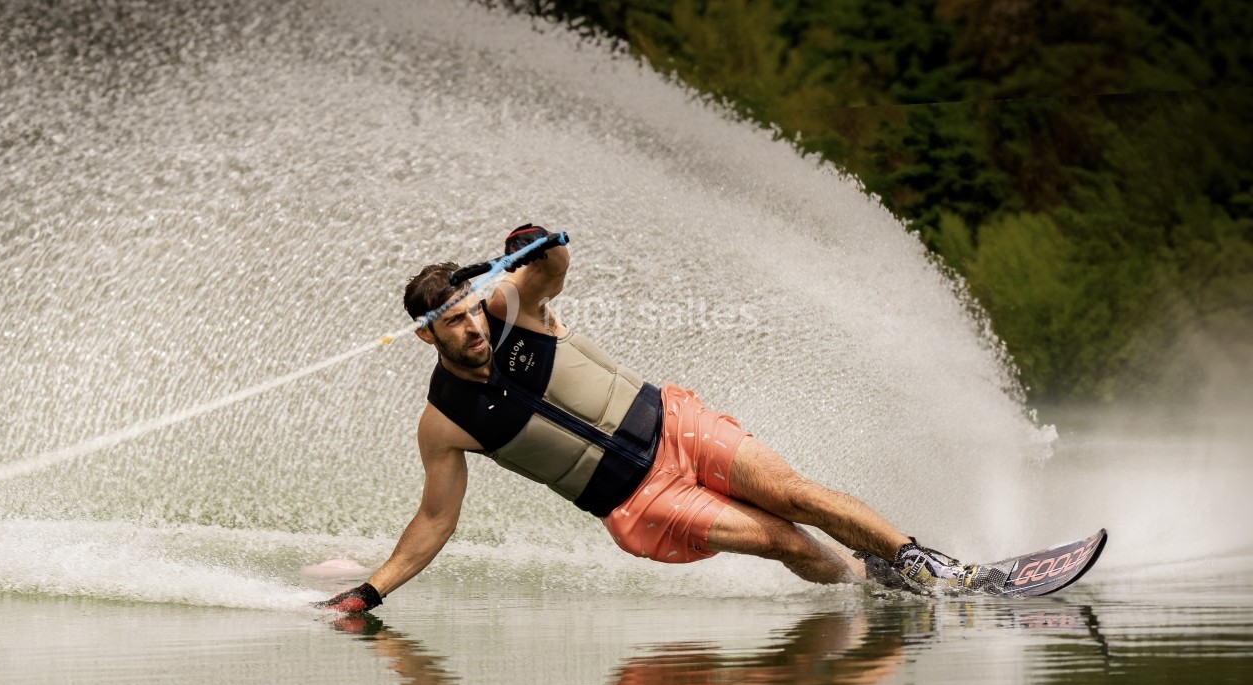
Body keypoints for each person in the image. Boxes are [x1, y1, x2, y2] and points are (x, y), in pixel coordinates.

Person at [318, 224, 980, 613]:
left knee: (795, 495)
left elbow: (552, 263)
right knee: (782, 540)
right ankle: (869, 584)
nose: (470, 328)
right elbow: (434, 522)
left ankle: (924, 564)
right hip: (641, 501)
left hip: (672, 426)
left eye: (468, 312)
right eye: (452, 323)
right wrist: (368, 595)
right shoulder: (444, 423)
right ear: (425, 338)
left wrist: (529, 240)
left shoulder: (509, 309)